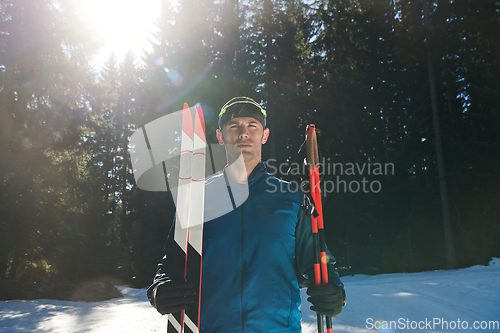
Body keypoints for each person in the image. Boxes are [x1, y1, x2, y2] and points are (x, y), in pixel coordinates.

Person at [147, 97, 345, 332]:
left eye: (252, 125)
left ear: (265, 135)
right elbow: (171, 262)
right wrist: (160, 289)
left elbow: (318, 259)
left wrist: (334, 290)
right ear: (221, 138)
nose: (243, 133)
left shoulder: (291, 198)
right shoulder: (197, 199)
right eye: (234, 126)